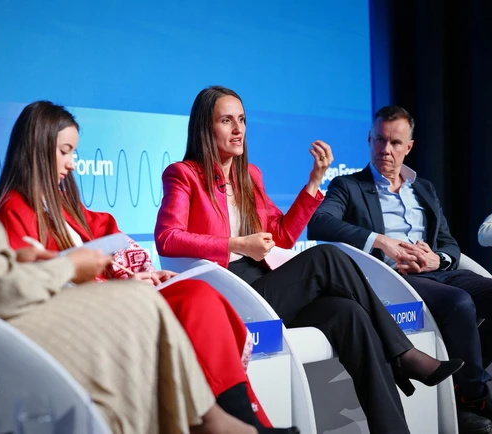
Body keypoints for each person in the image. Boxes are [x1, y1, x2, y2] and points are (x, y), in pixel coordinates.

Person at [0, 30, 268, 434]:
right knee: (146, 304)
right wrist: (68, 267)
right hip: (2, 338)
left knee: (187, 297)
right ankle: (216, 424)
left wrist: (23, 260)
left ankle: (229, 420)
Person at [154, 85, 463, 434]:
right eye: (226, 121)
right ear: (205, 127)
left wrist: (315, 181)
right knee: (327, 256)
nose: (238, 129)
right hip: (231, 297)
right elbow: (167, 237)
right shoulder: (184, 175)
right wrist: (236, 244)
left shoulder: (249, 175)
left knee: (350, 315)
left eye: (242, 120)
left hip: (266, 286)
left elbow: (282, 235)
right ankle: (403, 354)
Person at [0, 100, 296, 434]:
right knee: (195, 298)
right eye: (64, 152)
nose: (72, 163)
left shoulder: (64, 205)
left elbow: (107, 235)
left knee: (197, 295)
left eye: (73, 153)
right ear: (36, 149)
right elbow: (34, 284)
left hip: (118, 298)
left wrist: (140, 274)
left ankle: (245, 419)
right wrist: (117, 285)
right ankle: (239, 423)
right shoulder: (13, 212)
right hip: (87, 314)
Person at [308, 104, 492, 434]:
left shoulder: (423, 188)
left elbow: (448, 242)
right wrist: (381, 241)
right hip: (391, 277)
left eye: (395, 143)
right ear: (369, 139)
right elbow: (318, 222)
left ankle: (463, 387)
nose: (385, 150)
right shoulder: (348, 186)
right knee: (459, 303)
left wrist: (437, 259)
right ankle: (476, 396)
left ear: (409, 146)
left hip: (437, 271)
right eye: (379, 140)